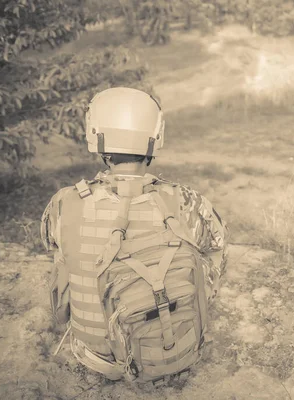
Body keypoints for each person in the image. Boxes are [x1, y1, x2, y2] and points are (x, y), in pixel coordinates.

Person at [40, 87, 227, 382]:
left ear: (96, 138)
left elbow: (57, 254)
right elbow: (218, 247)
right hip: (174, 347)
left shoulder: (64, 202)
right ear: (156, 139)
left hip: (94, 359)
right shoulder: (186, 201)